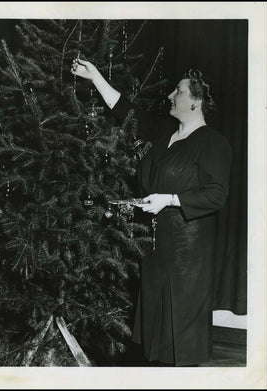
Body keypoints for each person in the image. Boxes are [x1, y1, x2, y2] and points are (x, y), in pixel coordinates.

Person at [71, 58, 232, 367]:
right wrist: (96, 79)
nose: (171, 95)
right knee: (153, 342)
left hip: (187, 255)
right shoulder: (164, 131)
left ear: (196, 101)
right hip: (154, 248)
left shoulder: (214, 144)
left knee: (180, 342)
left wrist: (170, 199)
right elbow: (126, 111)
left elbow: (216, 195)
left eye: (179, 91)